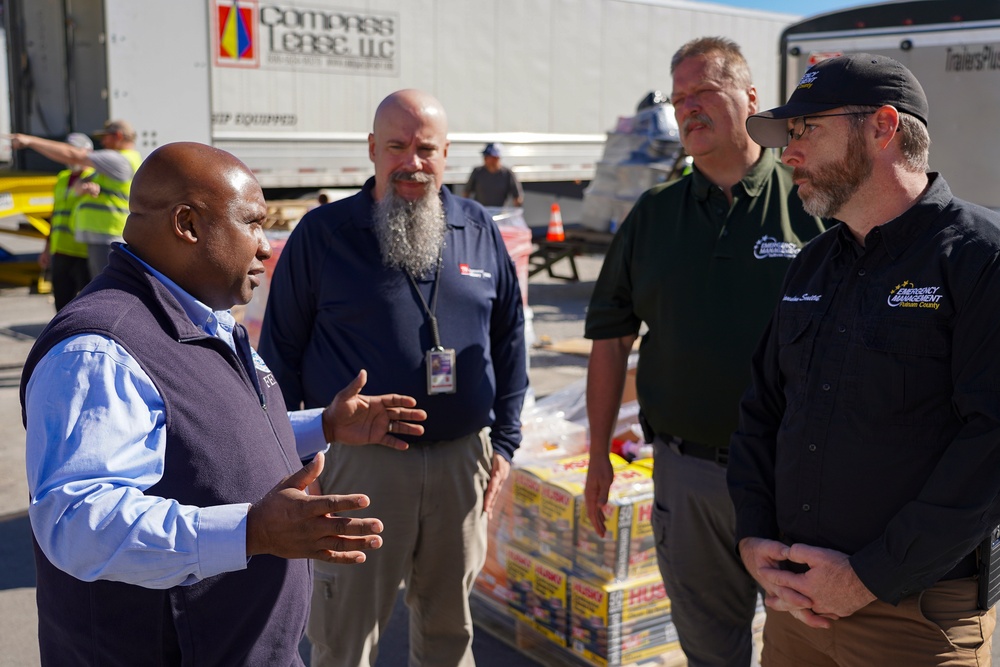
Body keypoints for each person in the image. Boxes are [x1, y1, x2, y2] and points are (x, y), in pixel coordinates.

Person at [19, 141, 427, 665]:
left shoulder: (198, 315)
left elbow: (203, 431)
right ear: (187, 224)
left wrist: (322, 425)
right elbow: (78, 522)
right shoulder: (102, 350)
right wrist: (251, 530)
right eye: (252, 224)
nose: (266, 246)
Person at [729, 53, 1000, 665]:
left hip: (915, 621)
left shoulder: (979, 260)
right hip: (796, 609)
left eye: (806, 131)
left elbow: (991, 446)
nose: (787, 153)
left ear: (882, 127)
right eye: (787, 135)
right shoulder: (811, 264)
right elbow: (760, 413)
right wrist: (752, 537)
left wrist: (868, 577)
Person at [259, 89, 528, 667]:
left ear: (447, 153)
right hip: (359, 466)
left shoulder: (478, 229)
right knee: (346, 633)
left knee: (449, 629)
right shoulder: (324, 234)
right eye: (397, 147)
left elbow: (509, 338)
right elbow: (277, 353)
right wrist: (288, 461)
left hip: (461, 462)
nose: (412, 162)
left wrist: (504, 441)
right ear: (373, 150)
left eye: (426, 148)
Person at [582, 36, 825, 666]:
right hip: (687, 475)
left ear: (750, 98)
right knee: (710, 650)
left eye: (703, 92)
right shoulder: (653, 215)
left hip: (795, 476)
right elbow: (611, 339)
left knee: (802, 644)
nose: (687, 108)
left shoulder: (811, 202)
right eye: (678, 97)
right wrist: (597, 457)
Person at [11, 119, 143, 278]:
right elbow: (80, 184)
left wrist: (30, 141)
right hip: (103, 236)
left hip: (107, 236)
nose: (102, 141)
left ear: (118, 136)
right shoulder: (122, 162)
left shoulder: (118, 160)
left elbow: (74, 155)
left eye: (105, 137)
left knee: (103, 289)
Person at [39, 132, 94, 310]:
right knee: (62, 302)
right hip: (61, 250)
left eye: (75, 151)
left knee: (87, 302)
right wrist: (47, 249)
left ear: (87, 152)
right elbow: (56, 214)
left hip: (84, 251)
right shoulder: (62, 177)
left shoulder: (95, 176)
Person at [462, 142, 524, 207]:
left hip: (500, 213)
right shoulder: (477, 172)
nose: (485, 159)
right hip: (481, 212)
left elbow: (517, 196)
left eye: (489, 157)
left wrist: (518, 211)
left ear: (497, 158)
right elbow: (466, 192)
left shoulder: (507, 174)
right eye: (485, 156)